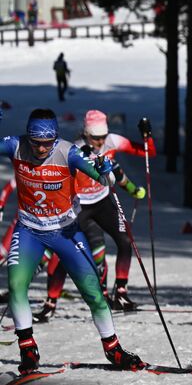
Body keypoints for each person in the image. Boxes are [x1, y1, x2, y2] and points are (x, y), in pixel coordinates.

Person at [3, 108, 143, 372]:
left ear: (55, 138)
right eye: (36, 142)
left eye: (47, 143)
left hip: (65, 231)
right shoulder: (15, 146)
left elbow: (103, 179)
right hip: (29, 230)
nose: (41, 149)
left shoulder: (68, 152)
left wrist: (104, 170)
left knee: (94, 294)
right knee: (16, 284)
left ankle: (114, 350)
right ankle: (28, 349)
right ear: (28, 137)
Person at [34, 111, 154, 320]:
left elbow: (148, 152)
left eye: (103, 137)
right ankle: (50, 302)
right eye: (95, 138)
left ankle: (121, 293)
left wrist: (147, 136)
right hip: (80, 207)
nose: (100, 142)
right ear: (86, 134)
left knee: (125, 241)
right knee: (65, 255)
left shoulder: (113, 141)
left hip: (103, 202)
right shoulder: (75, 149)